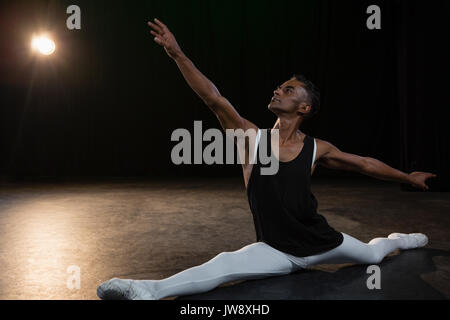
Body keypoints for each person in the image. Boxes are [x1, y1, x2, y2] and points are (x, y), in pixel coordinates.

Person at [96, 18, 437, 300]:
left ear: (305, 108)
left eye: (288, 90)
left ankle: (400, 239)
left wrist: (408, 178)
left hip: (323, 242)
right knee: (222, 266)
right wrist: (177, 54)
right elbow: (213, 99)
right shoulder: (250, 137)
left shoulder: (318, 148)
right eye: (279, 87)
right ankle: (144, 290)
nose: (278, 90)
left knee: (374, 254)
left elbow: (364, 164)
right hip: (277, 250)